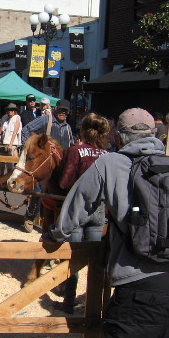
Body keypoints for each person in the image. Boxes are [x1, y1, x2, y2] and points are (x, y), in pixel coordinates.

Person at [45, 108, 169, 338]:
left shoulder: (112, 163)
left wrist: (55, 234)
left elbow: (77, 206)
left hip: (140, 279)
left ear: (119, 135)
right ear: (155, 133)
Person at [52, 112, 110, 314]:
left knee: (73, 259)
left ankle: (68, 302)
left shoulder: (75, 151)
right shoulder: (107, 154)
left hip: (77, 210)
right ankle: (93, 306)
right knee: (95, 259)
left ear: (83, 130)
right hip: (99, 211)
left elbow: (64, 182)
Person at [20, 99, 74, 232]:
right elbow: (26, 129)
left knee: (59, 194)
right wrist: (29, 148)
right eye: (61, 110)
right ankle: (30, 216)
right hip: (44, 164)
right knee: (38, 190)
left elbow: (70, 145)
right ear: (56, 109)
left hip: (60, 167)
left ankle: (55, 223)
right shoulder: (46, 120)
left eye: (65, 111)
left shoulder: (68, 127)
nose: (63, 113)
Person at [0, 103, 22, 175]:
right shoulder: (7, 120)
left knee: (10, 162)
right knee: (2, 161)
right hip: (4, 142)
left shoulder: (17, 117)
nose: (10, 111)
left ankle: (8, 178)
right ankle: (1, 177)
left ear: (15, 111)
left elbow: (15, 132)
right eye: (8, 110)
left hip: (12, 143)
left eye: (12, 110)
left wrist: (11, 144)